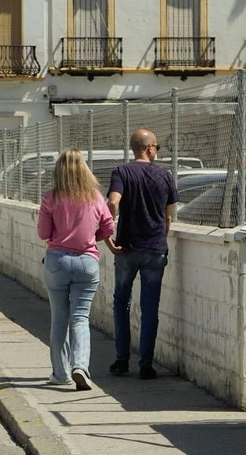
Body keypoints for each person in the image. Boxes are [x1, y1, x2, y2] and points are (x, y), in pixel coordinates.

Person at [37, 149, 114, 391]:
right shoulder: (95, 197)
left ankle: (60, 374)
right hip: (87, 262)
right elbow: (108, 227)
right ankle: (80, 366)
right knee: (80, 318)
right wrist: (93, 236)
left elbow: (43, 234)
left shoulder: (51, 197)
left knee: (59, 318)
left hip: (58, 261)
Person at [105, 129, 179, 380]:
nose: (157, 150)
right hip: (155, 249)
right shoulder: (165, 175)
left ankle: (121, 359)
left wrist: (108, 234)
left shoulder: (122, 172)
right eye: (156, 146)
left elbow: (113, 202)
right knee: (150, 308)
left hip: (126, 248)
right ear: (148, 148)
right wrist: (162, 231)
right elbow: (169, 214)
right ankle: (146, 364)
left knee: (121, 302)